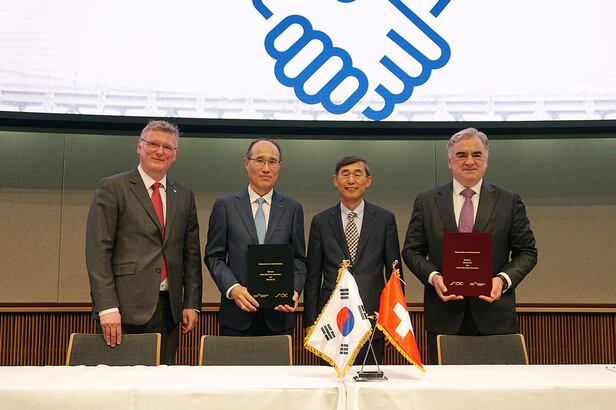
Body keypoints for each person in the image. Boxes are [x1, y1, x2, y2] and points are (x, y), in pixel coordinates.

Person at [402, 127, 537, 364]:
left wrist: (502, 280)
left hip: (495, 316)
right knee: (445, 386)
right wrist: (434, 277)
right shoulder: (427, 201)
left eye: (476, 154)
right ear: (449, 161)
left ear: (486, 160)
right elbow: (412, 251)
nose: (469, 161)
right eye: (461, 155)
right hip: (444, 316)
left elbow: (527, 252)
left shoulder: (508, 200)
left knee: (497, 386)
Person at [85, 120, 202, 365]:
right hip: (122, 310)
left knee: (162, 381)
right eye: (153, 144)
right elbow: (98, 251)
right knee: (119, 383)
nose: (160, 151)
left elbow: (191, 255)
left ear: (175, 154)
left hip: (170, 311)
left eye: (167, 147)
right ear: (139, 146)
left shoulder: (184, 195)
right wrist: (107, 307)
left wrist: (191, 303)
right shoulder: (113, 187)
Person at [304, 156, 402, 364]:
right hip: (331, 321)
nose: (351, 180)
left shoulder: (385, 219)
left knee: (370, 381)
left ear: (368, 181)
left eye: (357, 174)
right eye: (345, 174)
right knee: (331, 381)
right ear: (335, 180)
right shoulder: (321, 221)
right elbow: (313, 276)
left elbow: (395, 275)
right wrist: (311, 321)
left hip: (373, 321)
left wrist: (393, 321)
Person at [205, 139, 307, 336]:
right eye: (260, 160)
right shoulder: (225, 205)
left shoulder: (292, 208)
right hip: (236, 317)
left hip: (279, 316)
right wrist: (234, 289)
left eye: (272, 162)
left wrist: (293, 290)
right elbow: (214, 257)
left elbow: (299, 259)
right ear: (247, 163)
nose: (266, 168)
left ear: (279, 166)